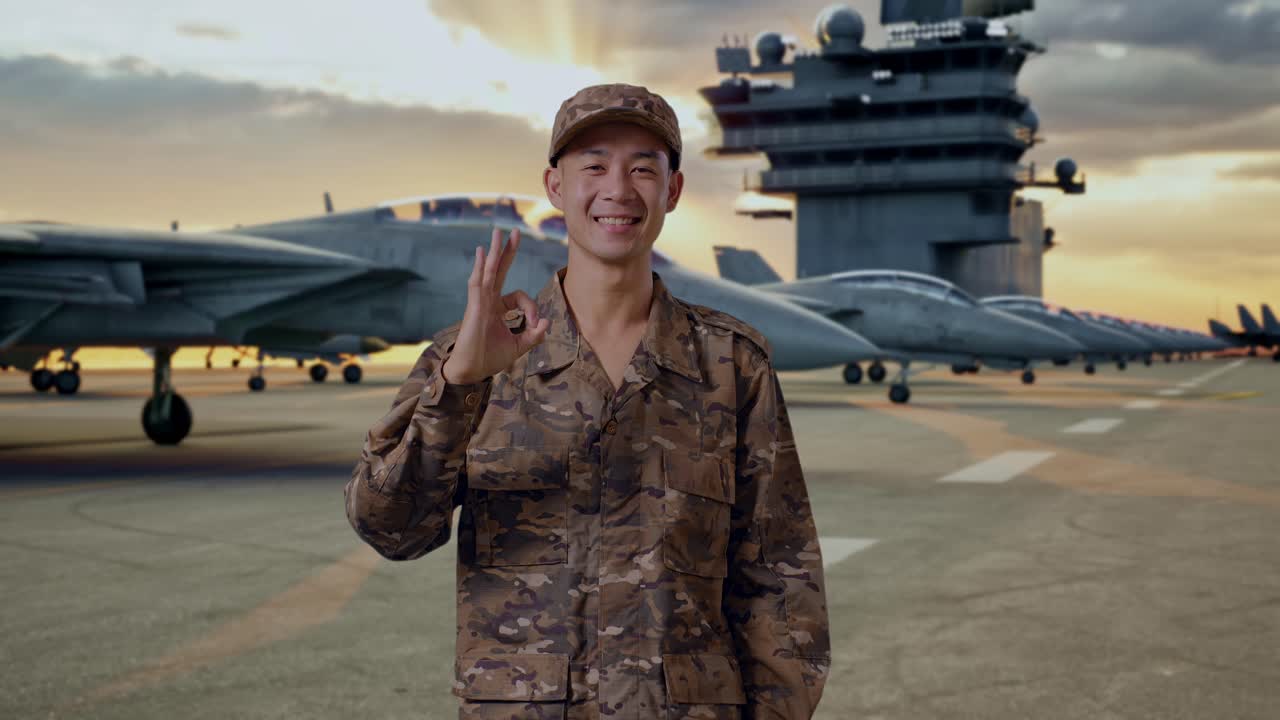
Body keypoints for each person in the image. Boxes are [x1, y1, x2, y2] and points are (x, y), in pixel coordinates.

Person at [345, 83, 830, 719]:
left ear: (673, 190)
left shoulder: (731, 365)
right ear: (555, 186)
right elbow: (390, 529)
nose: (618, 190)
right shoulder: (471, 357)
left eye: (643, 169)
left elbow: (782, 585)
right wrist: (458, 388)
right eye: (594, 166)